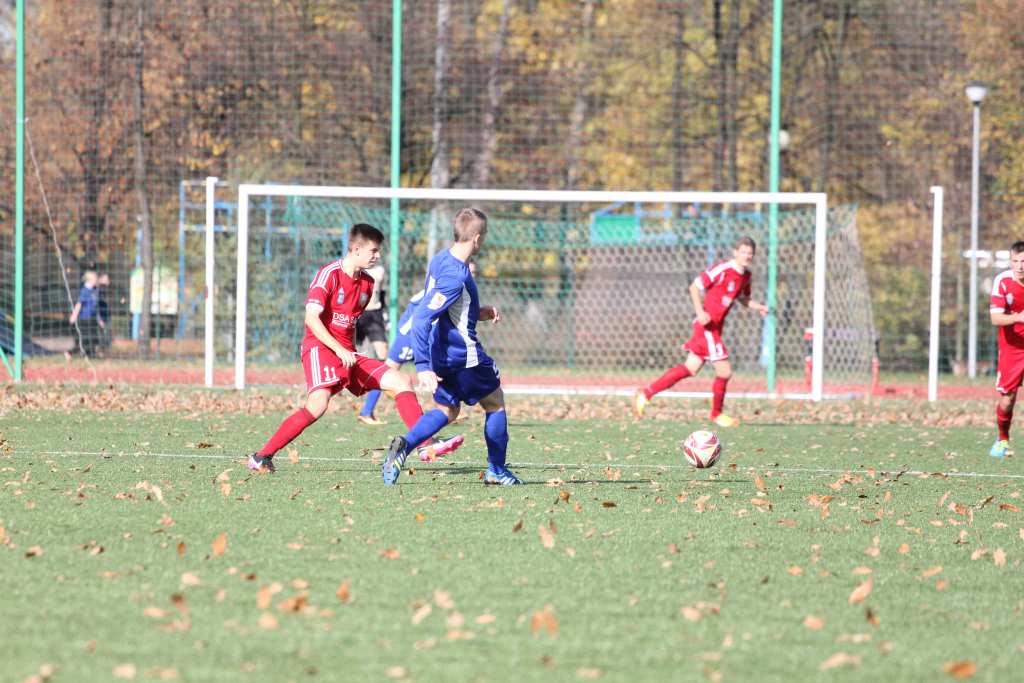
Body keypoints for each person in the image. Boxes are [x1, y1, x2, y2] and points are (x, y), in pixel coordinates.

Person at [246, 223, 463, 472]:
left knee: (401, 381)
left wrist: (348, 350)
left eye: (378, 251)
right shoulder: (329, 274)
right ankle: (261, 456)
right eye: (373, 251)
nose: (377, 256)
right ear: (356, 249)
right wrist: (339, 350)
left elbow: (350, 322)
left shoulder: (367, 283)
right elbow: (312, 319)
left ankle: (425, 445)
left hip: (348, 353)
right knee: (318, 404)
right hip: (320, 349)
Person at [380, 208, 522, 486]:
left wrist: (477, 312)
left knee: (448, 410)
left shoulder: (441, 259)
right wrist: (422, 366)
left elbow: (446, 307)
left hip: (443, 352)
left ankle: (405, 445)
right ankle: (497, 470)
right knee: (495, 404)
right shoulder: (455, 276)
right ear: (477, 238)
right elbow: (422, 318)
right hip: (463, 355)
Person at [633, 236, 769, 426]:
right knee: (725, 371)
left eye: (750, 253)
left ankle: (645, 394)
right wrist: (700, 312)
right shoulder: (722, 269)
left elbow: (742, 298)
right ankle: (716, 414)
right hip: (707, 327)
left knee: (690, 368)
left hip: (715, 329)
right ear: (735, 252)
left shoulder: (746, 276)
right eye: (743, 252)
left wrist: (758, 306)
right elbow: (694, 287)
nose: (746, 256)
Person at [988, 241, 1024, 458]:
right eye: (1016, 261)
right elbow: (995, 319)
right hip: (1013, 347)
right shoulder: (1002, 281)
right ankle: (1002, 440)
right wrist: (1019, 317)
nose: (1020, 266)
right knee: (1008, 399)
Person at [355, 262, 390, 425]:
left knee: (385, 361)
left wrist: (385, 316)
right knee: (346, 357)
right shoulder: (353, 267)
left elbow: (381, 294)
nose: (377, 255)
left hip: (374, 316)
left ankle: (367, 411)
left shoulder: (380, 271)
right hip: (356, 315)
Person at [67, 270, 104, 358]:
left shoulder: (94, 290)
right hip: (84, 319)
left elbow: (95, 308)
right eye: (95, 279)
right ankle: (69, 353)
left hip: (92, 319)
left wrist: (99, 320)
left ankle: (90, 354)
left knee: (94, 338)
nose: (97, 280)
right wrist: (74, 316)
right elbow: (79, 304)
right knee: (84, 339)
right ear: (90, 280)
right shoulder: (85, 290)